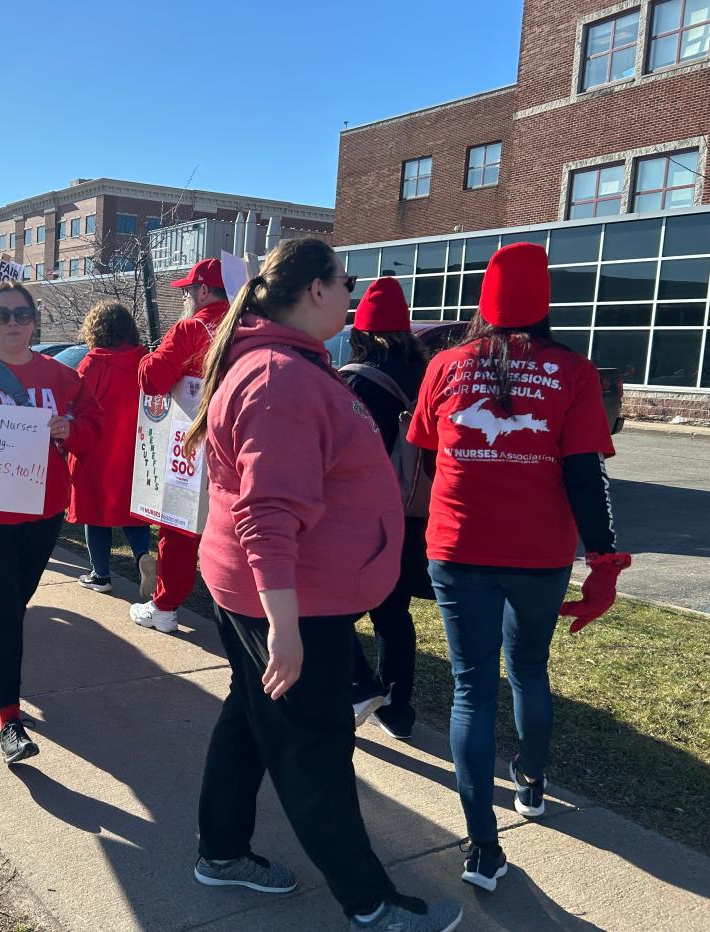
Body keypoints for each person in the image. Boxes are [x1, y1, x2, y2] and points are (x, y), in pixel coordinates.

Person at [185, 238, 461, 931]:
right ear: (314, 289)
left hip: (277, 594)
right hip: (290, 602)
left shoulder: (290, 366)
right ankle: (373, 904)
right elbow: (269, 513)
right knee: (315, 752)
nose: (351, 293)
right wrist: (284, 626)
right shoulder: (281, 377)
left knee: (250, 720)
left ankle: (220, 852)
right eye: (345, 280)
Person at [407, 243, 627, 894]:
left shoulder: (446, 364)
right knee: (529, 667)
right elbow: (586, 473)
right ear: (546, 303)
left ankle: (482, 851)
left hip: (457, 547)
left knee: (472, 688)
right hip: (539, 553)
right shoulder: (574, 372)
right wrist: (603, 559)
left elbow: (423, 458)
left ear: (484, 299)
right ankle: (531, 782)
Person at [0, 280, 103, 765]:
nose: (13, 323)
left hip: (42, 511)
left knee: (12, 605)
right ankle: (10, 717)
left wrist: (71, 427)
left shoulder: (59, 376)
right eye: (2, 315)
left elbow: (94, 424)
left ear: (34, 321)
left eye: (22, 314)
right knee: (4, 611)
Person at [338, 277, 429, 739]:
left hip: (364, 512)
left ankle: (359, 686)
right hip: (415, 508)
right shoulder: (427, 372)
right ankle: (398, 710)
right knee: (394, 612)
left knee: (329, 608)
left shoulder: (353, 381)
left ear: (362, 331)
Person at [129, 258, 229, 634]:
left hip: (196, 442)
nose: (186, 296)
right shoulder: (250, 327)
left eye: (189, 290)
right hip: (241, 444)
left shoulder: (191, 329)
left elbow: (153, 380)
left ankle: (166, 607)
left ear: (204, 291)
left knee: (179, 526)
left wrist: (150, 355)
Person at [66, 301, 155, 596]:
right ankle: (143, 556)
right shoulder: (145, 360)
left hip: (96, 449)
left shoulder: (91, 363)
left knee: (95, 513)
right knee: (134, 511)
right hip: (134, 449)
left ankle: (100, 574)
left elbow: (75, 405)